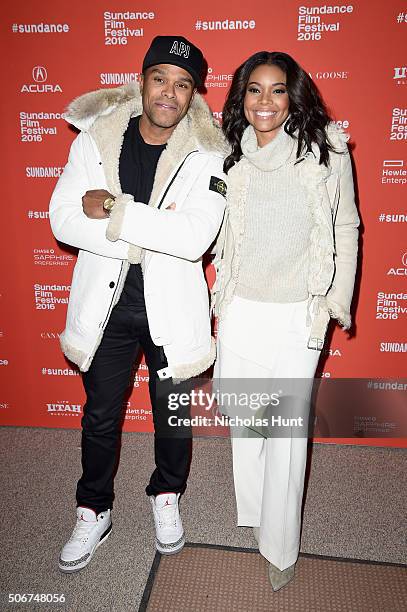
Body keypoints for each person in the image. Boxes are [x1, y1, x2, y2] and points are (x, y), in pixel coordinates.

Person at [49, 35, 227, 572]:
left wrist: (113, 211)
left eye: (183, 84)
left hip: (171, 309)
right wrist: (155, 229)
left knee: (172, 416)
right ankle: (92, 508)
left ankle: (166, 494)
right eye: (160, 79)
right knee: (100, 416)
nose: (169, 93)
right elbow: (63, 219)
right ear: (142, 79)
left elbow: (195, 237)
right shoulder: (94, 139)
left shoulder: (210, 154)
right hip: (107, 308)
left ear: (193, 94)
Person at [212, 51, 359, 590]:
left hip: (300, 309)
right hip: (243, 305)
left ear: (294, 97)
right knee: (247, 423)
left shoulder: (326, 151)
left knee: (287, 431)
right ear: (241, 97)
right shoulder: (227, 153)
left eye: (278, 90)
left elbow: (346, 226)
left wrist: (333, 298)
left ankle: (281, 545)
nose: (265, 102)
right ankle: (253, 512)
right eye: (254, 90)